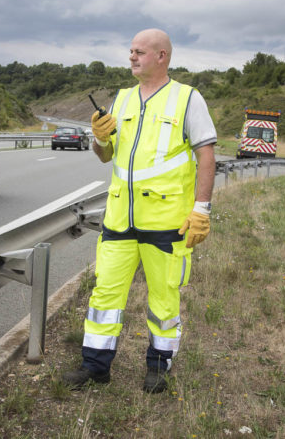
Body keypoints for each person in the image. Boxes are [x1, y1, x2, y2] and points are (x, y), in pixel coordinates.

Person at [62, 28, 217, 393]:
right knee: (104, 297)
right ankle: (95, 367)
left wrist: (202, 209)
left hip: (167, 225)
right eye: (130, 51)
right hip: (119, 221)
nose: (132, 57)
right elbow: (106, 155)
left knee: (164, 300)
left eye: (140, 52)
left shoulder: (187, 99)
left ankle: (158, 368)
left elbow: (207, 156)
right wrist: (99, 137)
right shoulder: (123, 99)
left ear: (162, 56)